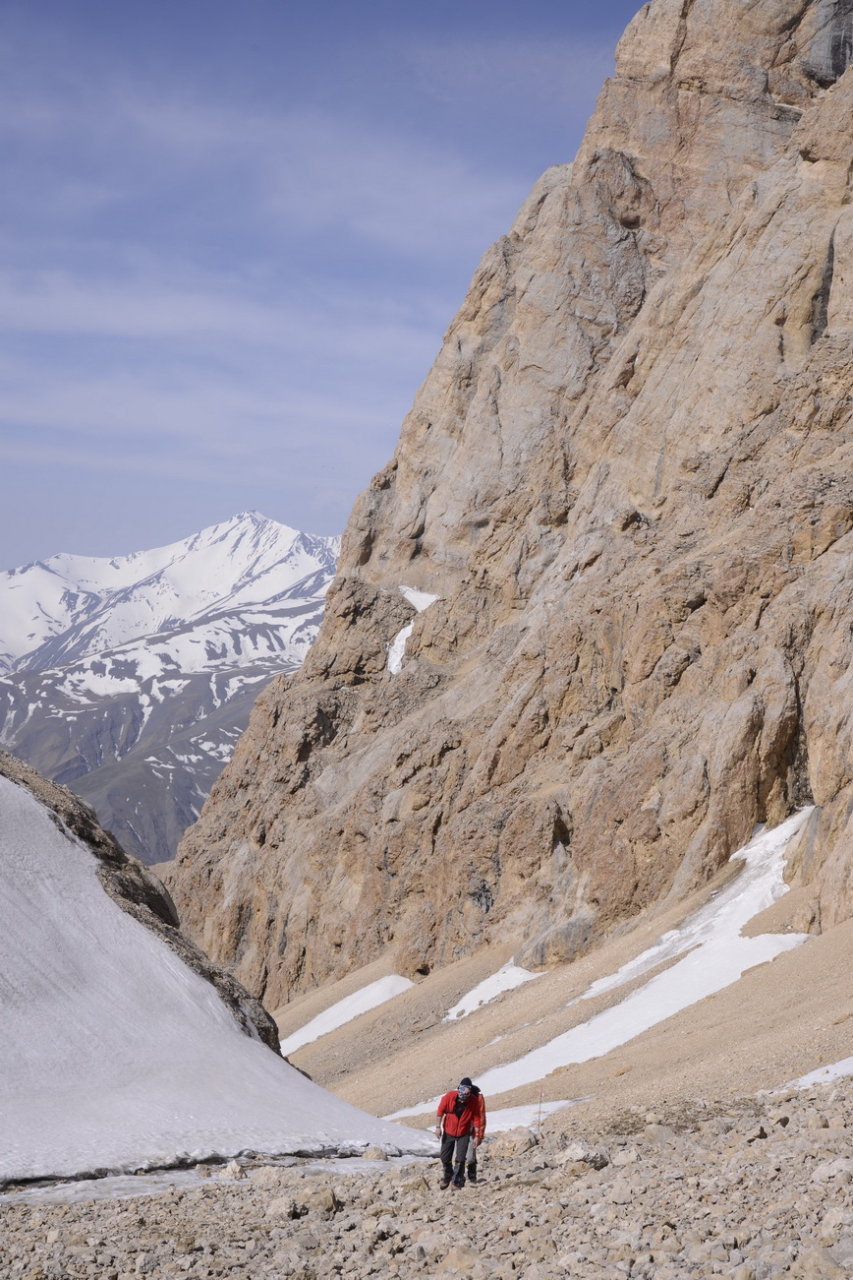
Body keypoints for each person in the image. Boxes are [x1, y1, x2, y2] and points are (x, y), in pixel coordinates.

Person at [435, 1076, 487, 1189]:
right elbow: (440, 1112)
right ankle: (448, 1175)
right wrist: (438, 1127)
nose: (463, 1100)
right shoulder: (449, 1097)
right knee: (444, 1156)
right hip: (449, 1131)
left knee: (461, 1158)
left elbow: (478, 1118)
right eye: (461, 1098)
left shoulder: (473, 1101)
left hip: (464, 1132)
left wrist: (478, 1136)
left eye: (465, 1098)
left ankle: (457, 1181)